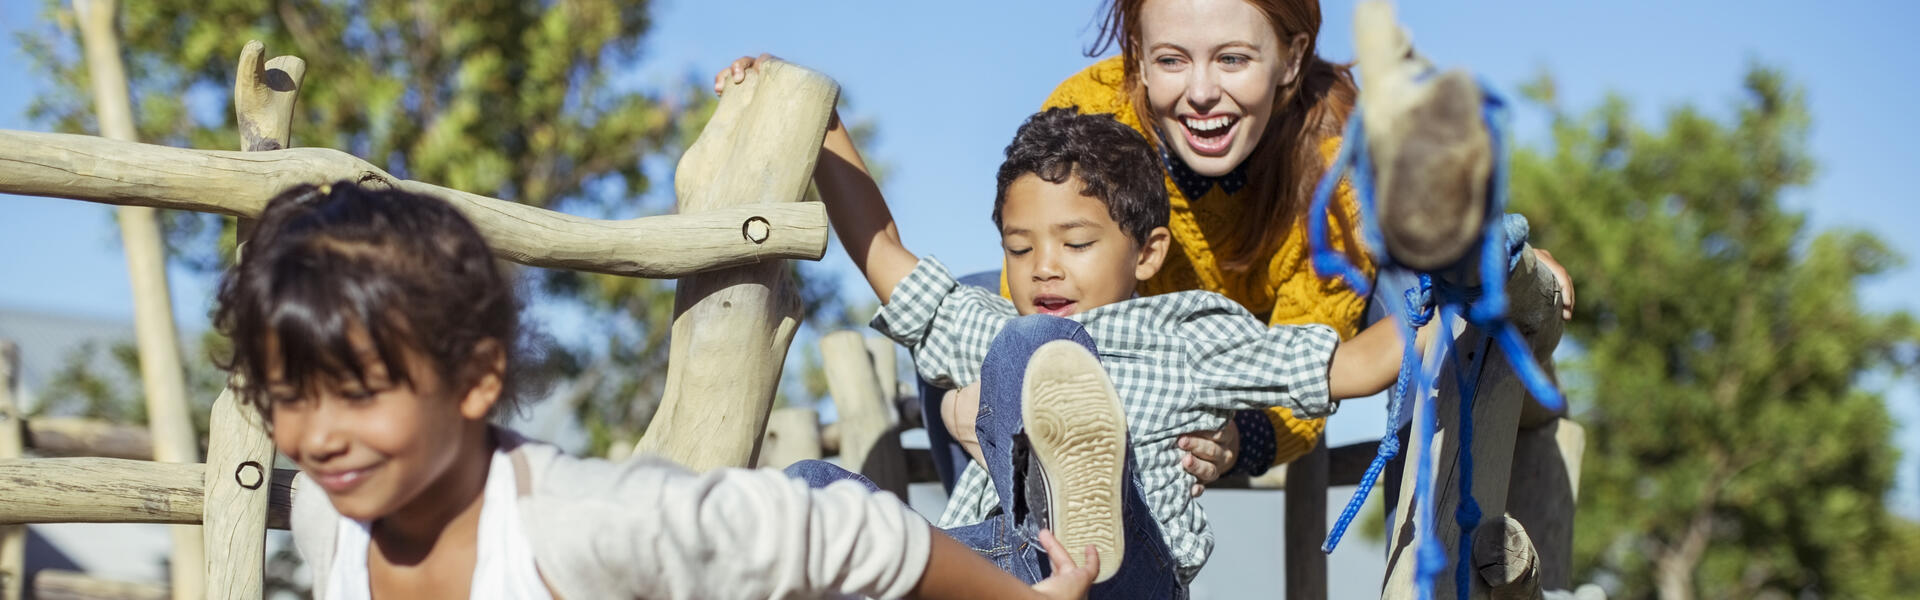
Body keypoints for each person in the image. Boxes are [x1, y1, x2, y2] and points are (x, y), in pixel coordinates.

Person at [214, 181, 1098, 599]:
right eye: (288, 395)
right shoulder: (335, 524)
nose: (317, 434)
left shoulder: (586, 524)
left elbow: (838, 532)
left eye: (360, 393)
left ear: (477, 375)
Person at [774, 71, 1428, 590]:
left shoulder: (1187, 334)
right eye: (1019, 248)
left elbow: (1351, 365)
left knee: (1034, 350)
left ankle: (1084, 508)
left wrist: (1459, 300)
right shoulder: (997, 328)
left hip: (1133, 573)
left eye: (1076, 242)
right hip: (997, 567)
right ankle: (1025, 536)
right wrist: (818, 114)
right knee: (814, 490)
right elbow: (883, 250)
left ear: (1146, 253)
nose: (1044, 268)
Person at [1040, 0, 1577, 489]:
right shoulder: (1086, 117)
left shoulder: (1335, 153)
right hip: (1129, 349)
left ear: (1291, 59)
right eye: (1172, 60)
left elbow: (1316, 353)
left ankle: (1424, 571)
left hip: (1287, 346)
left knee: (1419, 286)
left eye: (1232, 59)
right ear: (1138, 54)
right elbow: (1040, 278)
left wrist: (1242, 437)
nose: (1200, 92)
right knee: (978, 333)